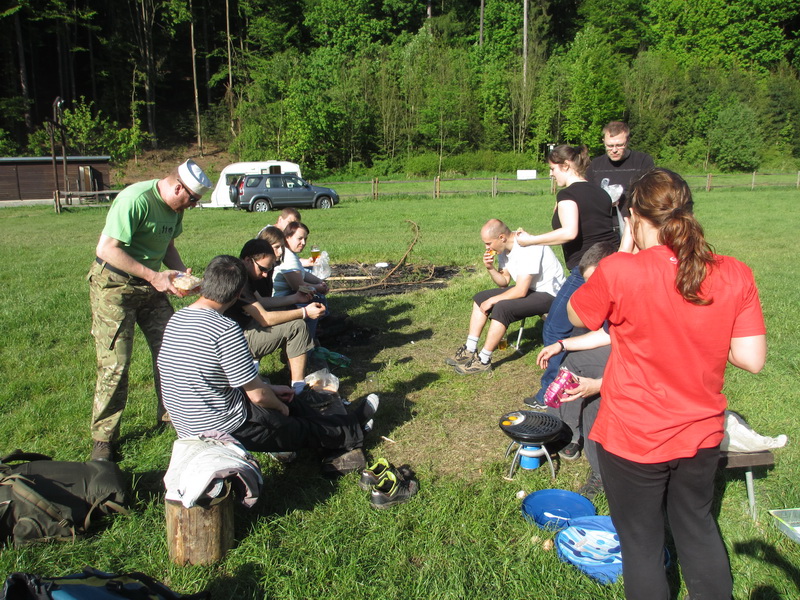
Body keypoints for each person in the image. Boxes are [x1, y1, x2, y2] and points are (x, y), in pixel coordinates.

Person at [567, 169, 766, 600]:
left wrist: (623, 248)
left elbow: (577, 315)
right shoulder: (734, 272)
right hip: (701, 435)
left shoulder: (620, 271)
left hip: (633, 436)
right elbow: (751, 358)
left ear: (635, 218)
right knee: (697, 527)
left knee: (641, 545)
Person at [157, 255, 377, 471]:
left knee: (290, 399)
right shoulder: (224, 330)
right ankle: (352, 431)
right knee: (293, 426)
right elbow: (258, 396)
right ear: (238, 294)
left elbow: (211, 377)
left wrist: (272, 390)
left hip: (189, 420)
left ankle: (348, 424)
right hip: (220, 427)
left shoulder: (177, 319)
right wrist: (280, 407)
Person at [88, 159, 212, 462]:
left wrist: (181, 273)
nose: (193, 206)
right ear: (178, 187)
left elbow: (167, 245)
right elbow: (106, 249)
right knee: (116, 363)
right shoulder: (136, 200)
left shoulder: (176, 209)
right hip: (114, 286)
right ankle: (104, 439)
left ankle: (172, 415)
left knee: (172, 351)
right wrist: (154, 276)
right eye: (192, 199)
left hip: (150, 285)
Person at [517, 145, 618, 408]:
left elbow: (569, 232)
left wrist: (530, 240)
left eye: (553, 168)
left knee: (555, 326)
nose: (551, 174)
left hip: (586, 269)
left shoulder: (568, 194)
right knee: (597, 327)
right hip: (611, 265)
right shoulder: (601, 193)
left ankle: (550, 393)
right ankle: (592, 377)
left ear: (566, 165)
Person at [535, 241, 617, 498]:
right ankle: (563, 431)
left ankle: (565, 434)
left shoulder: (635, 294)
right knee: (574, 363)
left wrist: (601, 384)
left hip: (645, 366)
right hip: (621, 352)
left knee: (581, 375)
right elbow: (607, 334)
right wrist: (561, 345)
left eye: (596, 282)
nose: (593, 289)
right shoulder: (612, 293)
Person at [447, 219, 565, 374]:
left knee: (502, 308)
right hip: (530, 289)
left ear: (501, 237)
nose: (487, 247)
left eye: (488, 243)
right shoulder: (503, 249)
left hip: (549, 293)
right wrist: (490, 268)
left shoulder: (528, 247)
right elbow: (504, 282)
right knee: (480, 298)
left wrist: (492, 301)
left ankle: (484, 360)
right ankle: (470, 349)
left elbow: (520, 291)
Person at [225, 239, 325, 395]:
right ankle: (299, 390)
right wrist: (305, 312)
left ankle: (289, 367)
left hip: (240, 330)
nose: (265, 274)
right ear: (247, 260)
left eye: (269, 269)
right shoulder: (239, 279)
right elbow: (265, 319)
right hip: (235, 341)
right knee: (297, 327)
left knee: (288, 312)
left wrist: (295, 298)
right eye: (263, 269)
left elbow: (261, 302)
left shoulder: (242, 272)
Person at [585, 121, 654, 237]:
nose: (614, 150)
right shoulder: (595, 165)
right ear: (603, 141)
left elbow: (650, 194)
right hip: (604, 228)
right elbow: (588, 195)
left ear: (628, 141)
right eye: (610, 146)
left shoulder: (642, 161)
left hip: (635, 226)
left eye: (619, 145)